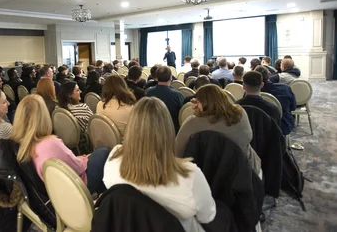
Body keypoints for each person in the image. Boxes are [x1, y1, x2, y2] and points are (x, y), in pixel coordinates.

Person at [103, 97, 216, 232]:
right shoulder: (190, 175)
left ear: (131, 127)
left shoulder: (113, 157)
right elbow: (207, 217)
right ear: (168, 130)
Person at [9, 94, 109, 195]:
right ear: (42, 117)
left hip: (56, 192)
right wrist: (84, 159)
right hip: (76, 189)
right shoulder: (50, 143)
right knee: (103, 152)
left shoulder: (20, 145)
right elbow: (77, 168)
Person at [176, 84, 261, 175]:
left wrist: (198, 113)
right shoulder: (241, 113)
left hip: (209, 172)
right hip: (247, 169)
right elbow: (248, 137)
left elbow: (178, 151)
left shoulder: (193, 122)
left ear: (202, 103)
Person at [255, 66, 296, 135]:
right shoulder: (285, 88)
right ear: (269, 74)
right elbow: (293, 107)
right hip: (282, 126)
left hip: (258, 128)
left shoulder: (252, 92)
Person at [97, 75, 136, 140]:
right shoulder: (129, 108)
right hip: (125, 144)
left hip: (104, 141)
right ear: (123, 86)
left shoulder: (99, 104)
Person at [146, 66, 184, 133]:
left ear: (156, 77)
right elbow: (182, 115)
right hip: (172, 131)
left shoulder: (148, 92)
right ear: (170, 77)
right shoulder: (177, 95)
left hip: (152, 130)